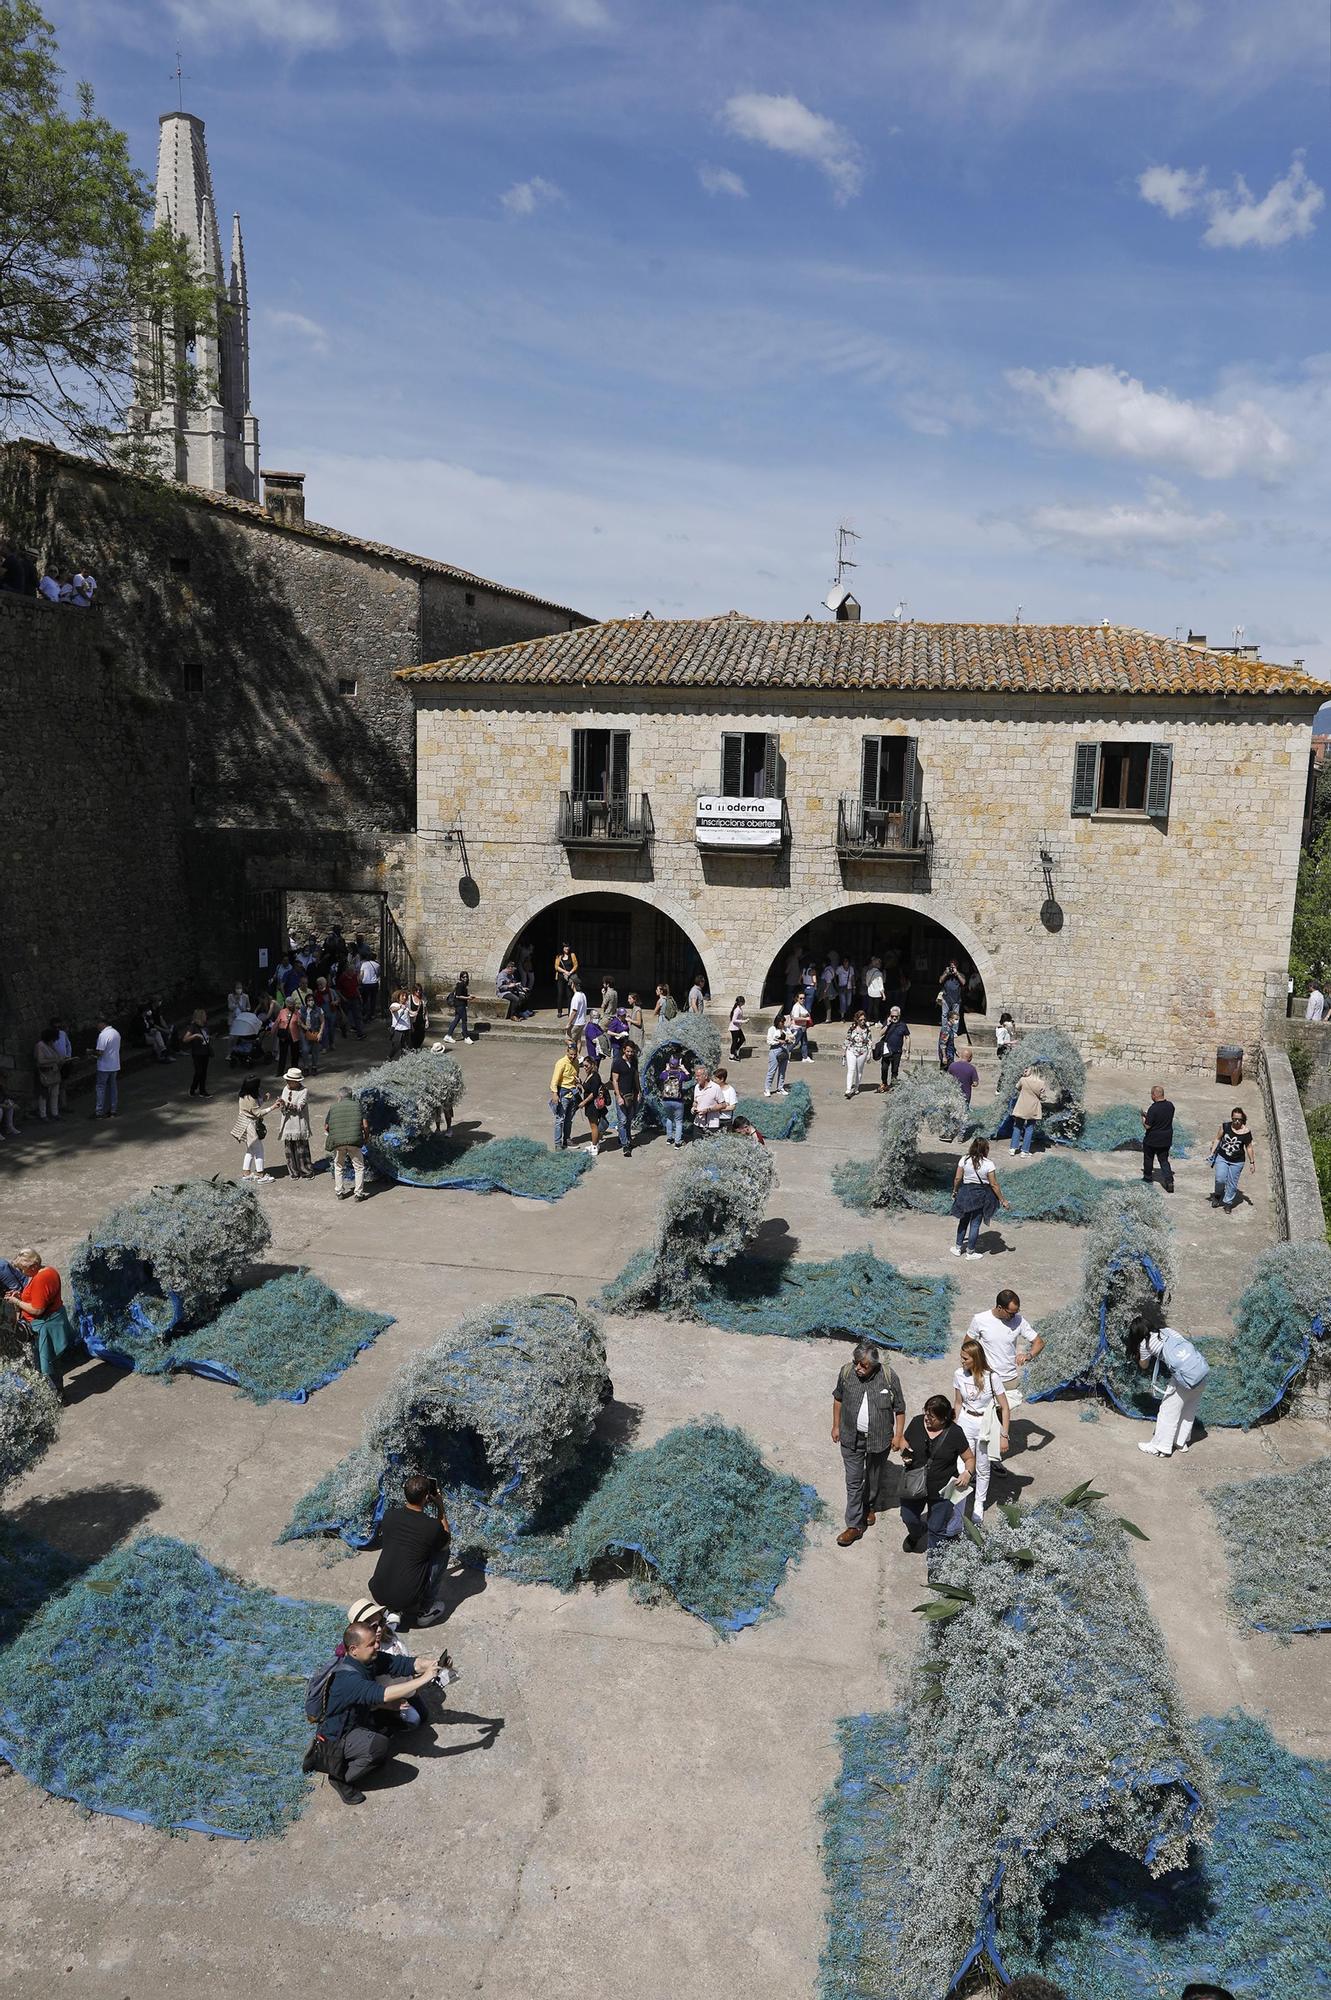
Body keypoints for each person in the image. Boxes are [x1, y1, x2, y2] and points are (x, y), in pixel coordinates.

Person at [313, 1620, 441, 1805]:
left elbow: (404, 1664)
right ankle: (340, 1777)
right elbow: (385, 1695)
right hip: (338, 1737)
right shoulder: (348, 1679)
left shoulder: (368, 1660)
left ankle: (364, 1745)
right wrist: (425, 1678)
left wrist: (434, 1664)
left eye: (376, 1641)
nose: (377, 1646)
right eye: (371, 1644)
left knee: (400, 1721)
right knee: (378, 1746)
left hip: (360, 1718)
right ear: (354, 1649)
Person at [831, 1341, 906, 1546]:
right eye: (856, 1363)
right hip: (850, 1438)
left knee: (873, 1477)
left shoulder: (889, 1378)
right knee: (853, 1482)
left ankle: (870, 1506)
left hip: (879, 1439)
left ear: (874, 1365)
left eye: (863, 1365)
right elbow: (838, 1399)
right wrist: (836, 1425)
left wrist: (898, 1436)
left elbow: (899, 1409)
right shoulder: (846, 1373)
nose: (858, 1368)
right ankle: (854, 1525)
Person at [369, 1472, 453, 1627]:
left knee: (400, 1550)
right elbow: (447, 1540)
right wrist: (440, 1506)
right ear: (427, 1497)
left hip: (378, 1591)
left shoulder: (389, 1515)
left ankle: (394, 1610)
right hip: (407, 1598)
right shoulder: (432, 1527)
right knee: (443, 1550)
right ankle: (425, 1610)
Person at [900, 1394, 975, 1555]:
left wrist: (967, 1473)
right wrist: (905, 1453)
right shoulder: (916, 1423)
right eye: (926, 1413)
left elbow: (969, 1458)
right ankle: (917, 1533)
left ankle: (935, 1569)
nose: (926, 1418)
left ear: (944, 1418)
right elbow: (904, 1441)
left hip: (944, 1490)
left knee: (937, 1529)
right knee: (908, 1517)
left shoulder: (955, 1433)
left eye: (931, 1416)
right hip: (914, 1484)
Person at [1128, 1311, 1210, 1457]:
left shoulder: (1144, 1344)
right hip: (1200, 1372)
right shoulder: (1168, 1331)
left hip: (1184, 1379)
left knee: (1168, 1411)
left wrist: (1139, 1356)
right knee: (1189, 1409)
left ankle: (1160, 1447)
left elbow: (1144, 1365)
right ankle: (1181, 1442)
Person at [969, 1290, 1043, 1447]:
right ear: (999, 1307)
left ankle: (993, 1452)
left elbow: (1039, 1342)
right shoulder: (980, 1319)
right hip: (986, 1377)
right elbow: (967, 1344)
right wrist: (973, 1367)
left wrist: (1028, 1355)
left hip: (1008, 1379)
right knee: (981, 1415)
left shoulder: (1019, 1321)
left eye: (1017, 1312)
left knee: (1002, 1413)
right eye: (1011, 1313)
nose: (1014, 1316)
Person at [4, 1249, 79, 1399]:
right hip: (49, 1322)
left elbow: (37, 1309)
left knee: (48, 1363)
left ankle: (56, 1396)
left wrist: (17, 1302)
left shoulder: (40, 1279)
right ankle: (54, 1393)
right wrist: (21, 1296)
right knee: (50, 1361)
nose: (21, 1272)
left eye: (22, 1269)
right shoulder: (47, 1271)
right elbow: (36, 1297)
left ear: (33, 1266)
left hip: (45, 1327)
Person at [951, 1336, 1010, 1524]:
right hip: (965, 1421)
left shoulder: (992, 1377)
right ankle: (958, 1507)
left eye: (965, 1358)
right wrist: (954, 1426)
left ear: (975, 1358)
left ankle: (979, 1503)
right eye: (961, 1357)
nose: (962, 1361)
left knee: (982, 1467)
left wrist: (1004, 1435)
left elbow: (1005, 1407)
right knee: (962, 1465)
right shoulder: (959, 1375)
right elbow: (958, 1402)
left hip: (985, 1424)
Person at [950, 1138, 1010, 1257]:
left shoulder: (964, 1159)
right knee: (975, 1223)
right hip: (980, 1195)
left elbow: (957, 1178)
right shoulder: (988, 1164)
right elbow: (993, 1184)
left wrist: (955, 1191)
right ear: (985, 1149)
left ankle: (957, 1248)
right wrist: (1002, 1200)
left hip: (965, 1193)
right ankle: (970, 1252)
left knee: (963, 1221)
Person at [326, 1087, 369, 1200]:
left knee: (339, 1166)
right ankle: (358, 1194)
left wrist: (334, 1134)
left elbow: (326, 1126)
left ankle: (339, 1192)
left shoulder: (333, 1108)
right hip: (354, 1141)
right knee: (359, 1167)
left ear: (339, 1096)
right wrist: (366, 1137)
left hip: (338, 1142)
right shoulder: (358, 1106)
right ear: (351, 1096)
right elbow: (365, 1125)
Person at [232, 1074, 276, 1182]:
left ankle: (246, 1173)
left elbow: (252, 1107)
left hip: (243, 1124)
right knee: (259, 1150)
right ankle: (260, 1175)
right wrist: (273, 1107)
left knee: (250, 1150)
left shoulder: (243, 1095)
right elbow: (258, 1113)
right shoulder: (251, 1098)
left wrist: (263, 1100)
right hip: (250, 1126)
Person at [1210, 1106, 1256, 1211]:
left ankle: (1228, 1203)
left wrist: (1252, 1162)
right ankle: (1217, 1194)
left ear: (1242, 1119)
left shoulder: (1246, 1132)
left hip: (1237, 1161)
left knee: (1232, 1182)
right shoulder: (1225, 1127)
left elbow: (1249, 1147)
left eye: (1239, 1119)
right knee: (1220, 1178)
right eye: (1234, 1119)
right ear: (1231, 1118)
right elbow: (1217, 1139)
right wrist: (1212, 1152)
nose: (1236, 1121)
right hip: (1222, 1157)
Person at [278, 1067, 314, 1178]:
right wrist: (282, 1105)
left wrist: (286, 1104)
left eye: (290, 1080)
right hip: (288, 1124)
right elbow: (283, 1108)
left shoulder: (304, 1091)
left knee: (301, 1149)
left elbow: (300, 1107)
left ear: (297, 1081)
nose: (287, 1082)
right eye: (287, 1080)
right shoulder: (285, 1089)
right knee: (289, 1150)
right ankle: (293, 1172)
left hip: (299, 1124)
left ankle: (306, 1172)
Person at [1009, 1066, 1053, 1155]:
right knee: (1029, 1129)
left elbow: (1017, 1087)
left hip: (1021, 1106)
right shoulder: (1041, 1083)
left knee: (1017, 1127)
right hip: (1033, 1108)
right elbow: (1042, 1097)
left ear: (1030, 1071)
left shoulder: (1023, 1080)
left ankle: (1013, 1148)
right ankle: (1024, 1151)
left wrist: (1024, 1076)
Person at [1141, 1083, 1176, 1193]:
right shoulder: (1170, 1106)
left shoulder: (1153, 1108)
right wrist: (1148, 1115)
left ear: (1155, 1095)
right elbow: (1161, 1118)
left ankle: (1147, 1178)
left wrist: (1142, 1119)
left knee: (1148, 1158)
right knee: (1164, 1161)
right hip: (1166, 1139)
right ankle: (1169, 1181)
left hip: (1152, 1139)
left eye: (1152, 1094)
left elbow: (1148, 1126)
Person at [611, 1037, 641, 1156]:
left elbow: (636, 1077)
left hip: (632, 1094)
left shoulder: (634, 1061)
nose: (630, 1054)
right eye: (628, 1051)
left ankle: (627, 1139)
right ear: (624, 1050)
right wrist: (618, 1096)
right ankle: (625, 1145)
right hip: (622, 1095)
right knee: (622, 1120)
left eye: (631, 1051)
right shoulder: (618, 1063)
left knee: (629, 1119)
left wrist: (639, 1092)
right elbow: (615, 1080)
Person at [549, 1042, 581, 1150]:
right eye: (571, 1054)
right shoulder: (561, 1063)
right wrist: (554, 1094)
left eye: (574, 1055)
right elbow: (554, 1081)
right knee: (560, 1119)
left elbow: (576, 1076)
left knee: (569, 1119)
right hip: (563, 1094)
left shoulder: (576, 1062)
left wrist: (578, 1082)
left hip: (573, 1093)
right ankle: (558, 1143)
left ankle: (567, 1139)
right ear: (567, 1052)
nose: (572, 1057)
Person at [577, 1050, 608, 1156]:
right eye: (583, 1066)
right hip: (590, 1105)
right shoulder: (590, 1075)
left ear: (592, 1065)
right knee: (594, 1125)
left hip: (592, 1106)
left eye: (586, 1066)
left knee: (593, 1126)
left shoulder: (595, 1076)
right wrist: (580, 1084)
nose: (584, 1068)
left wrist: (583, 1102)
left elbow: (593, 1093)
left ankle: (594, 1146)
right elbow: (587, 1088)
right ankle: (595, 1143)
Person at [89, 1015, 121, 1118]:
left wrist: (91, 1053)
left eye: (97, 1025)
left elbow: (100, 1052)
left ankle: (99, 1111)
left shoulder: (103, 1035)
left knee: (101, 1088)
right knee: (113, 1088)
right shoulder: (116, 1033)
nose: (97, 1027)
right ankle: (113, 1110)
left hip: (104, 1066)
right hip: (114, 1065)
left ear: (102, 1023)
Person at [658, 1049, 689, 1146]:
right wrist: (684, 1069)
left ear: (669, 1064)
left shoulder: (665, 1074)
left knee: (669, 1119)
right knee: (678, 1121)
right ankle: (677, 1142)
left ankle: (669, 1138)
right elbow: (688, 1077)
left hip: (666, 1100)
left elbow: (660, 1077)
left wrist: (666, 1069)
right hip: (678, 1101)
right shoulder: (681, 1075)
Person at [875, 1007, 910, 1090]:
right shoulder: (887, 1023)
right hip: (887, 1051)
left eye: (896, 1016)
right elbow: (880, 1034)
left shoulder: (903, 1025)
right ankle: (884, 1083)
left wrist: (907, 1051)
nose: (894, 1018)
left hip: (897, 1051)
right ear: (890, 1016)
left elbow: (907, 1037)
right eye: (892, 1016)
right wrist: (887, 1024)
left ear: (899, 1016)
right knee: (884, 1068)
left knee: (895, 1070)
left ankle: (893, 1084)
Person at [180, 1009, 212, 1097]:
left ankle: (202, 1090)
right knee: (199, 1072)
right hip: (197, 1053)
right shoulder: (193, 1027)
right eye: (204, 1015)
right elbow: (185, 1039)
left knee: (204, 1072)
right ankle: (193, 1088)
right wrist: (195, 1035)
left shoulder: (206, 1025)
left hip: (205, 1051)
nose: (206, 1017)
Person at [33, 1027, 62, 1122]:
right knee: (44, 1095)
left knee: (55, 1094)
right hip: (45, 1073)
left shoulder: (51, 1045)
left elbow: (57, 1056)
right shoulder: (40, 1045)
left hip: (54, 1072)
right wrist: (55, 1060)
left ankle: (55, 1113)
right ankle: (43, 1114)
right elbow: (40, 1060)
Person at [843, 1011, 872, 1098]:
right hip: (851, 1050)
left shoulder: (867, 1029)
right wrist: (844, 1051)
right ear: (857, 1020)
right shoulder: (852, 1027)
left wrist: (869, 1053)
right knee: (851, 1069)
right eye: (860, 1020)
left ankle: (856, 1087)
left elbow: (870, 1041)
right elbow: (847, 1039)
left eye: (864, 1019)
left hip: (862, 1051)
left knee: (859, 1071)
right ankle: (848, 1089)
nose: (862, 1021)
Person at [692, 1066, 726, 1134]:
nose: (696, 1078)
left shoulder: (715, 1088)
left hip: (712, 1125)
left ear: (706, 1076)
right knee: (696, 1144)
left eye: (698, 1076)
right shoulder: (697, 1087)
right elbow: (695, 1101)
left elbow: (723, 1104)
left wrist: (708, 1110)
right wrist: (693, 1108)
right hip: (698, 1123)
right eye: (696, 1076)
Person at [442, 970, 473, 1044]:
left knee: (456, 1020)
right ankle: (466, 1037)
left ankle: (448, 1035)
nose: (465, 978)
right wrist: (468, 998)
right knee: (464, 1020)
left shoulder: (463, 985)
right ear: (461, 978)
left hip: (460, 1004)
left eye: (466, 977)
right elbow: (458, 996)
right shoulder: (461, 984)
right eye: (464, 977)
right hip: (460, 1005)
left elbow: (461, 994)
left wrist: (469, 996)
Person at [765, 1011, 791, 1098]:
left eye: (784, 1022)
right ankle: (767, 1089)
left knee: (782, 1071)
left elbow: (791, 1037)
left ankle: (780, 1088)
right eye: (781, 1022)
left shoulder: (786, 1029)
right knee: (772, 1071)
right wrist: (778, 1041)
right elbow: (769, 1041)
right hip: (774, 1051)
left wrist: (790, 1040)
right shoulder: (772, 1029)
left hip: (784, 1051)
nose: (783, 1024)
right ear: (777, 1021)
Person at [337, 962, 365, 1040]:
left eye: (354, 971)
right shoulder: (342, 978)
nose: (353, 972)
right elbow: (338, 990)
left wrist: (359, 996)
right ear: (347, 971)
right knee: (345, 1017)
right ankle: (344, 1031)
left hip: (354, 998)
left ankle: (360, 1033)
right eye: (352, 971)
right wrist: (342, 998)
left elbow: (356, 987)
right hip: (346, 1000)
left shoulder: (354, 976)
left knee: (357, 1016)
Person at [947, 1043, 979, 1108]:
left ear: (961, 1056)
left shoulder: (952, 1066)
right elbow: (975, 1083)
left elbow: (947, 1078)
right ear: (970, 1058)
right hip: (965, 1097)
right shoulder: (972, 1068)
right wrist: (974, 1084)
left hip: (953, 1094)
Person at [554, 941, 578, 1015]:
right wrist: (565, 971)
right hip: (561, 977)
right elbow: (556, 966)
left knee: (569, 995)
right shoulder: (559, 956)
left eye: (568, 947)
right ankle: (559, 1011)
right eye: (565, 947)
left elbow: (576, 965)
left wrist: (570, 972)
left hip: (569, 977)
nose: (567, 948)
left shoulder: (572, 955)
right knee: (560, 994)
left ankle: (569, 1011)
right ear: (562, 948)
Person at [789, 990, 813, 1062]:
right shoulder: (796, 1006)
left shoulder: (801, 1005)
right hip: (797, 1028)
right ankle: (784, 1053)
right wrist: (806, 1018)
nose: (803, 1000)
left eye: (804, 998)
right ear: (797, 998)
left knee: (804, 1042)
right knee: (795, 1042)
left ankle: (805, 1057)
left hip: (803, 1027)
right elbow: (795, 1018)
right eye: (801, 998)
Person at [388, 989, 412, 1060]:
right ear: (398, 997)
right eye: (403, 996)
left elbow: (409, 1016)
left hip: (407, 1028)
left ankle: (403, 1060)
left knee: (406, 1047)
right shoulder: (395, 1004)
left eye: (405, 996)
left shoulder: (407, 1005)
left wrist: (411, 1025)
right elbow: (392, 1009)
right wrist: (400, 1007)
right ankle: (390, 1057)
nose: (404, 997)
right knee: (396, 1045)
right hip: (398, 1029)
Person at [357, 950, 380, 1021]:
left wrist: (359, 982)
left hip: (365, 984)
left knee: (365, 999)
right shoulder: (378, 965)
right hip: (374, 983)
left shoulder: (364, 964)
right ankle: (372, 1013)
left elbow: (361, 974)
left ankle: (365, 1013)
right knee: (373, 999)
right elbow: (378, 974)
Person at [566, 975, 589, 1041]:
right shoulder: (583, 994)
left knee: (569, 1040)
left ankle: (572, 1051)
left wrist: (568, 1024)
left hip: (576, 1023)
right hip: (582, 1022)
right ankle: (578, 1052)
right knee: (578, 1040)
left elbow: (574, 1012)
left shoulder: (576, 997)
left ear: (573, 984)